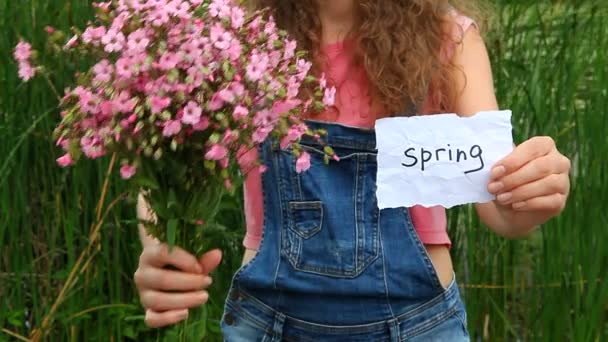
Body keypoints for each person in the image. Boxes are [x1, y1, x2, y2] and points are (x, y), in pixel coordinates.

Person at [134, 0, 571, 340]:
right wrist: (162, 248)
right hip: (268, 326)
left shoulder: (448, 39)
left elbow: (499, 204)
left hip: (418, 327)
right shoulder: (231, 35)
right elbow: (171, 170)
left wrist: (529, 190)